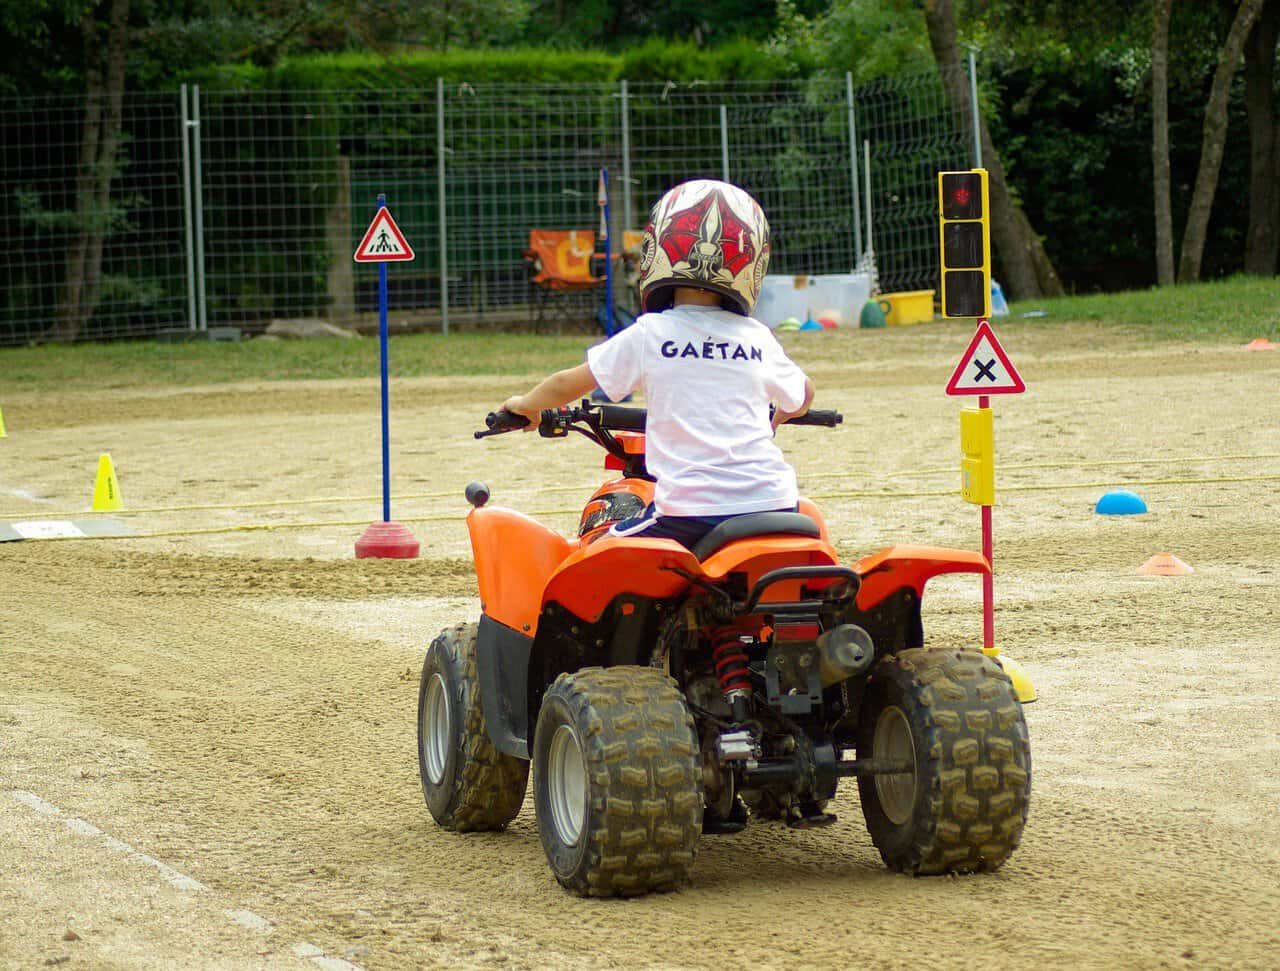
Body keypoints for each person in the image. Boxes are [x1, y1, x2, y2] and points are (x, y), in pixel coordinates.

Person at [501, 179, 814, 552]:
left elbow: (568, 383)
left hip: (691, 514)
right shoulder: (757, 336)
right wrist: (779, 416)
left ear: (660, 247)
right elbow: (803, 394)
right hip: (776, 501)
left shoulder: (652, 332)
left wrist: (526, 405)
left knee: (594, 553)